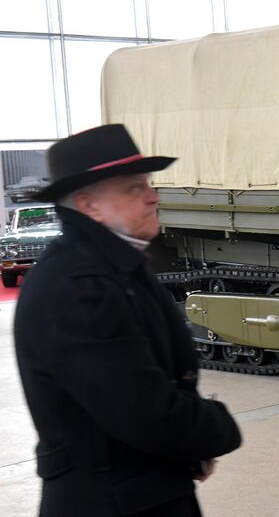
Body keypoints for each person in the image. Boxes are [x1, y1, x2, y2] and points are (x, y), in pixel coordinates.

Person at [14, 124, 242, 517]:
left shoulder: (110, 268)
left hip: (138, 493)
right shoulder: (78, 287)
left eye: (149, 184)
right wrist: (216, 429)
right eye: (134, 188)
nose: (153, 197)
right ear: (88, 206)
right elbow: (144, 413)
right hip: (112, 503)